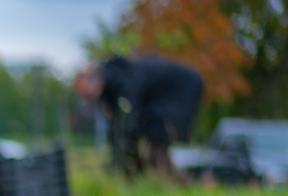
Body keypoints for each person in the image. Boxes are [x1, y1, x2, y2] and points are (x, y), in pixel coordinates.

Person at [74, 55, 205, 180]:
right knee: (141, 138)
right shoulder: (109, 90)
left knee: (157, 140)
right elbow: (114, 125)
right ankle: (143, 180)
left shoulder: (127, 80)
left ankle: (188, 182)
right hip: (158, 99)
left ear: (97, 82)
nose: (88, 100)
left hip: (182, 89)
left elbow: (130, 120)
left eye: (87, 95)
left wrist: (121, 153)